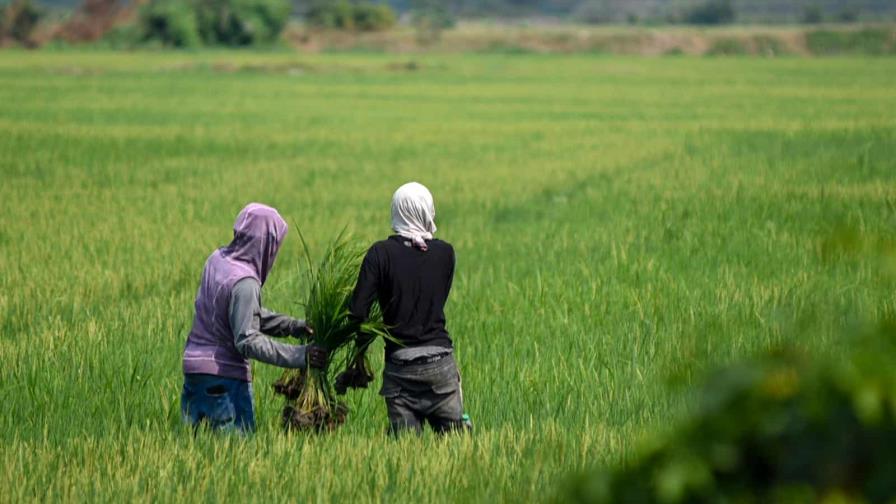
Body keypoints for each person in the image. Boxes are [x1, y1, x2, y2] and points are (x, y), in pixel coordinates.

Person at [180, 203, 328, 433]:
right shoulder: (245, 282)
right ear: (265, 244)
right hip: (224, 381)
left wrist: (294, 326)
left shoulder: (217, 260)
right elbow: (247, 339)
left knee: (196, 451)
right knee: (233, 458)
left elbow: (240, 313)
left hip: (193, 374)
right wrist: (302, 356)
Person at [344, 182, 468, 435]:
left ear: (396, 211)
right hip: (441, 366)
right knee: (457, 448)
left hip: (401, 369)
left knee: (407, 453)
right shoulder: (445, 253)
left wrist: (359, 346)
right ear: (428, 210)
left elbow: (358, 312)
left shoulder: (380, 254)